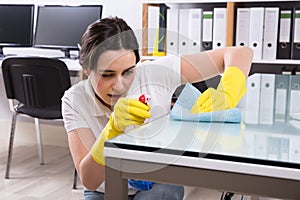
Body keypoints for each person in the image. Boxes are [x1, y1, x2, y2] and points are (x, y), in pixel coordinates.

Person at [61, 16, 253, 200]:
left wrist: (229, 90)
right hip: (104, 189)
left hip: (158, 184)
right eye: (107, 74)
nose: (119, 85)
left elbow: (240, 53)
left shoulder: (155, 73)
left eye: (128, 71)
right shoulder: (74, 100)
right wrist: (112, 131)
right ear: (87, 69)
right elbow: (89, 180)